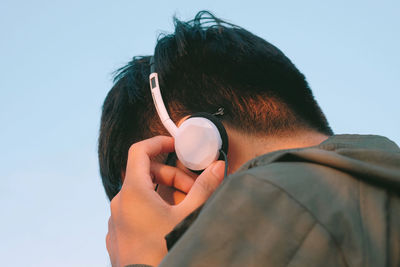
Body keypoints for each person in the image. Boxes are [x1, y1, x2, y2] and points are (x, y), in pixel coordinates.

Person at [98, 11, 400, 267]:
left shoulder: (267, 206)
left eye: (153, 196)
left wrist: (140, 256)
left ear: (196, 147)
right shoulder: (373, 181)